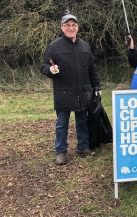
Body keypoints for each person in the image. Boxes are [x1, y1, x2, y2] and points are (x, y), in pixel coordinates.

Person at [40, 13, 101, 165]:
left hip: (83, 92)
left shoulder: (85, 47)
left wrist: (97, 86)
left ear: (78, 27)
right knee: (62, 124)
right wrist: (50, 71)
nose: (71, 28)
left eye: (73, 25)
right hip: (64, 92)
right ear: (62, 28)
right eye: (67, 25)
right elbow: (44, 66)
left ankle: (83, 146)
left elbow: (92, 69)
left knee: (82, 122)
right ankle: (61, 152)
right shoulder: (54, 46)